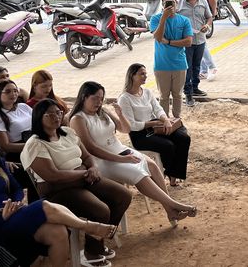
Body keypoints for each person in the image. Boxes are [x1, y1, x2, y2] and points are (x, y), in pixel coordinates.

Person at [0, 125, 117, 266]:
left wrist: (17, 202)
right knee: (44, 205)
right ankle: (88, 226)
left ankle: (88, 229)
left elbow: (16, 188)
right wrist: (1, 217)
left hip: (16, 215)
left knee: (57, 232)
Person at [21, 99, 132, 267]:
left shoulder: (67, 132)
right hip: (58, 190)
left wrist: (93, 168)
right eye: (50, 114)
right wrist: (83, 172)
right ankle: (91, 252)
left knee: (123, 196)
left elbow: (87, 157)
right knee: (100, 210)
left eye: (58, 112)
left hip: (83, 179)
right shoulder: (35, 144)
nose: (56, 117)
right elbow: (53, 176)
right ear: (38, 117)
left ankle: (96, 241)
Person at [69, 82, 197, 225]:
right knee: (139, 174)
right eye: (95, 98)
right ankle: (174, 205)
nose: (99, 102)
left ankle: (169, 210)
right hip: (101, 160)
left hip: (120, 150)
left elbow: (126, 129)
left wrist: (120, 115)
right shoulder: (78, 119)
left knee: (152, 165)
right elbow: (90, 148)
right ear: (84, 97)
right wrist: (122, 159)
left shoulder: (103, 111)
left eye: (101, 98)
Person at [118, 63, 192, 187]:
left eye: (145, 74)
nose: (145, 76)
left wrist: (166, 120)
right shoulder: (125, 98)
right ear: (132, 76)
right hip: (140, 135)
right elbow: (132, 126)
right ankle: (170, 175)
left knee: (184, 138)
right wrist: (154, 123)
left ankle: (175, 174)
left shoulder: (146, 92)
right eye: (142, 74)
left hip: (155, 128)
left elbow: (158, 109)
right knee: (168, 145)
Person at [0, 80, 37, 200]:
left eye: (15, 90)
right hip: (17, 152)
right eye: (8, 91)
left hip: (35, 142)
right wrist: (32, 145)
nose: (13, 94)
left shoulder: (24, 107)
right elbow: (5, 146)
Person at [151, 0, 194, 116]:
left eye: (172, 3)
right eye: (166, 3)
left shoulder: (184, 20)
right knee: (164, 96)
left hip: (179, 64)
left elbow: (188, 42)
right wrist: (163, 18)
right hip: (161, 65)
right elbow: (158, 37)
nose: (170, 6)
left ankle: (177, 119)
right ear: (162, 5)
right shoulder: (155, 19)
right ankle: (165, 121)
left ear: (177, 3)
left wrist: (169, 42)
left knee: (178, 95)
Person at [178, 0, 212, 106]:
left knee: (197, 66)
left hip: (200, 40)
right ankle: (188, 94)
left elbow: (209, 17)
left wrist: (207, 26)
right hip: (187, 42)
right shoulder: (178, 4)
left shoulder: (203, 2)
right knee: (187, 68)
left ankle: (195, 87)